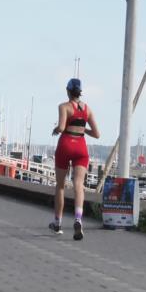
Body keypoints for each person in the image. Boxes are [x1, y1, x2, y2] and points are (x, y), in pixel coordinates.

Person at [50, 78, 100, 240]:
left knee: (60, 185)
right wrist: (82, 128)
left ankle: (57, 223)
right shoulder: (87, 109)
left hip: (66, 145)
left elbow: (62, 127)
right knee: (79, 184)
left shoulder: (64, 107)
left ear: (68, 91)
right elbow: (97, 134)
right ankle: (78, 218)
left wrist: (56, 129)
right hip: (81, 148)